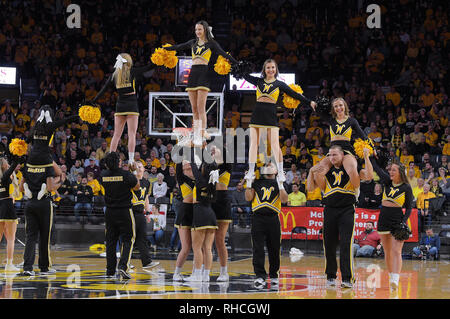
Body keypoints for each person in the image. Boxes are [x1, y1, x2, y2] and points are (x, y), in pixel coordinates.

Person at [242, 59, 317, 184]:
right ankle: (250, 171)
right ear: (264, 70)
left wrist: (309, 102)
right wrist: (235, 64)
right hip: (257, 114)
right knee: (254, 144)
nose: (270, 70)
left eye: (273, 67)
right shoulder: (258, 81)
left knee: (275, 145)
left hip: (270, 114)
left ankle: (281, 172)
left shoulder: (279, 84)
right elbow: (244, 75)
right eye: (268, 68)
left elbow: (294, 94)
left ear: (276, 69)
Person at [165, 20, 238, 146]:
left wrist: (237, 63)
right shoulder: (192, 42)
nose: (197, 32)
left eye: (200, 29)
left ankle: (202, 133)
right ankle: (196, 133)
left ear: (205, 30)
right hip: (193, 74)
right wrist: (165, 49)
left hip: (204, 74)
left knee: (200, 107)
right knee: (193, 108)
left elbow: (223, 53)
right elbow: (178, 47)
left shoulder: (211, 43)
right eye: (196, 30)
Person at [309, 145, 373, 288]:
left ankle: (347, 278)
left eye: (335, 155)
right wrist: (312, 172)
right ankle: (330, 276)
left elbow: (369, 175)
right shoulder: (326, 171)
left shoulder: (352, 170)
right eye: (330, 155)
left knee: (346, 244)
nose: (332, 158)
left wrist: (367, 157)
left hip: (347, 210)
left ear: (343, 155)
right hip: (329, 210)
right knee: (329, 244)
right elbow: (312, 187)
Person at [91, 54, 154, 165]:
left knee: (116, 134)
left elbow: (103, 90)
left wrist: (93, 101)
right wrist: (160, 59)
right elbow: (149, 67)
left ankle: (110, 158)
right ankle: (130, 159)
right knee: (132, 134)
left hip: (120, 106)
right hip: (132, 105)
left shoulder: (114, 75)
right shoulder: (132, 71)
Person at [369, 153, 414, 290]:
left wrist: (403, 222)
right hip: (383, 218)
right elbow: (376, 168)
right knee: (387, 251)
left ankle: (395, 278)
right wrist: (369, 155)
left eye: (393, 170)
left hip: (397, 219)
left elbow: (409, 207)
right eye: (390, 170)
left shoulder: (406, 187)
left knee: (396, 251)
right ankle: (391, 276)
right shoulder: (387, 182)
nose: (390, 172)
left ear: (400, 172)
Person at [315, 97, 372, 197]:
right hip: (332, 152)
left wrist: (373, 148)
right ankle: (326, 192)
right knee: (318, 172)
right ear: (333, 109)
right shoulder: (331, 119)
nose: (338, 108)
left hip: (346, 151)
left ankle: (356, 191)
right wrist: (311, 102)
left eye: (340, 105)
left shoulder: (352, 121)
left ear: (345, 106)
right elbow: (317, 109)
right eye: (336, 106)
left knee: (352, 169)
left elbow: (363, 136)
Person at [245, 162, 289, 288]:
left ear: (277, 170)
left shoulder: (280, 182)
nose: (268, 167)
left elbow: (285, 199)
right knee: (258, 249)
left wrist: (281, 184)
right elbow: (248, 198)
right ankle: (259, 275)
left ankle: (274, 275)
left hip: (273, 218)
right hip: (258, 218)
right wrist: (249, 183)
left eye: (272, 165)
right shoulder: (256, 181)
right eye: (266, 165)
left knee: (274, 248)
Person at [23, 104, 79, 199]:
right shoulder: (50, 126)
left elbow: (26, 142)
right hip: (45, 157)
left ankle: (26, 186)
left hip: (32, 158)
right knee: (60, 175)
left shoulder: (35, 127)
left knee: (27, 174)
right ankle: (44, 189)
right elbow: (66, 120)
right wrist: (79, 115)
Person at [19, 154, 62, 276]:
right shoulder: (47, 166)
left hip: (30, 203)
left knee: (30, 237)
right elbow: (50, 187)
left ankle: (27, 267)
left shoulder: (27, 167)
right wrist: (61, 182)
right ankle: (44, 267)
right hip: (44, 202)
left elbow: (21, 188)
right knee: (44, 237)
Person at [100, 152, 140, 280]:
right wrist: (134, 172)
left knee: (111, 242)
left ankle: (110, 270)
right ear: (118, 162)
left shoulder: (103, 175)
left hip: (110, 212)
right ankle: (123, 266)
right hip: (124, 211)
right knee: (128, 239)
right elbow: (137, 186)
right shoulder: (126, 175)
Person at [184, 149, 218, 282]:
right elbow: (208, 166)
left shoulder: (200, 181)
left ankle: (197, 275)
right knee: (208, 248)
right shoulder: (212, 182)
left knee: (197, 248)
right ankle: (206, 275)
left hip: (200, 213)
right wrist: (209, 155)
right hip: (211, 214)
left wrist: (192, 149)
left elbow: (193, 164)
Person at [210, 146, 233, 281]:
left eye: (216, 151)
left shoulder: (227, 167)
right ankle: (202, 270)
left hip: (222, 202)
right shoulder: (208, 167)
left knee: (219, 240)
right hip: (209, 202)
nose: (213, 152)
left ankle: (224, 272)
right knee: (206, 241)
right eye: (211, 151)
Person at [131, 161, 159, 270]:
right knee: (129, 238)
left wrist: (147, 212)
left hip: (140, 212)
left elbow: (146, 199)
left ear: (144, 169)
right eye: (136, 166)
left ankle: (146, 262)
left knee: (142, 237)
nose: (138, 168)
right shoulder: (131, 180)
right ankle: (125, 262)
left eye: (140, 166)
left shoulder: (147, 182)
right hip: (130, 211)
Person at [172, 160, 195, 281]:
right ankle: (177, 272)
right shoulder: (182, 179)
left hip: (197, 214)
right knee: (186, 247)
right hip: (184, 214)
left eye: (190, 164)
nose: (189, 165)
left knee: (198, 248)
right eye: (186, 165)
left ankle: (195, 273)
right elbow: (178, 166)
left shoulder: (200, 178)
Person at [0, 156, 21, 272]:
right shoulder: (5, 177)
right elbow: (13, 166)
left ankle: (8, 262)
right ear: (4, 166)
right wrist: (17, 157)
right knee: (11, 239)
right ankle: (9, 264)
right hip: (7, 206)